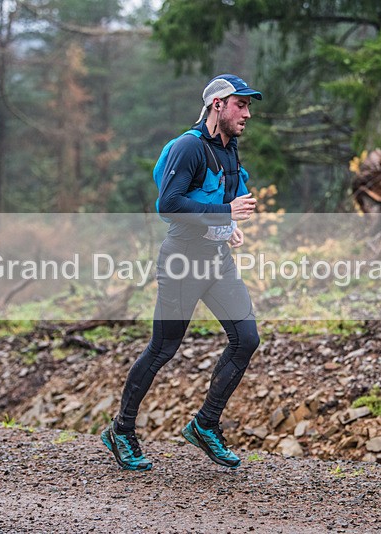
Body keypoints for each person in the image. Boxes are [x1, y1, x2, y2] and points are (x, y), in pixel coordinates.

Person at [101, 74, 262, 470]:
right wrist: (224, 214)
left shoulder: (230, 149)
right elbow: (169, 205)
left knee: (246, 338)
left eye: (248, 106)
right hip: (182, 260)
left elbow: (215, 200)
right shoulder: (189, 146)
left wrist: (228, 226)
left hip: (217, 258)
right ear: (217, 105)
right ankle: (121, 430)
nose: (247, 112)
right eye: (240, 104)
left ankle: (205, 425)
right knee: (163, 348)